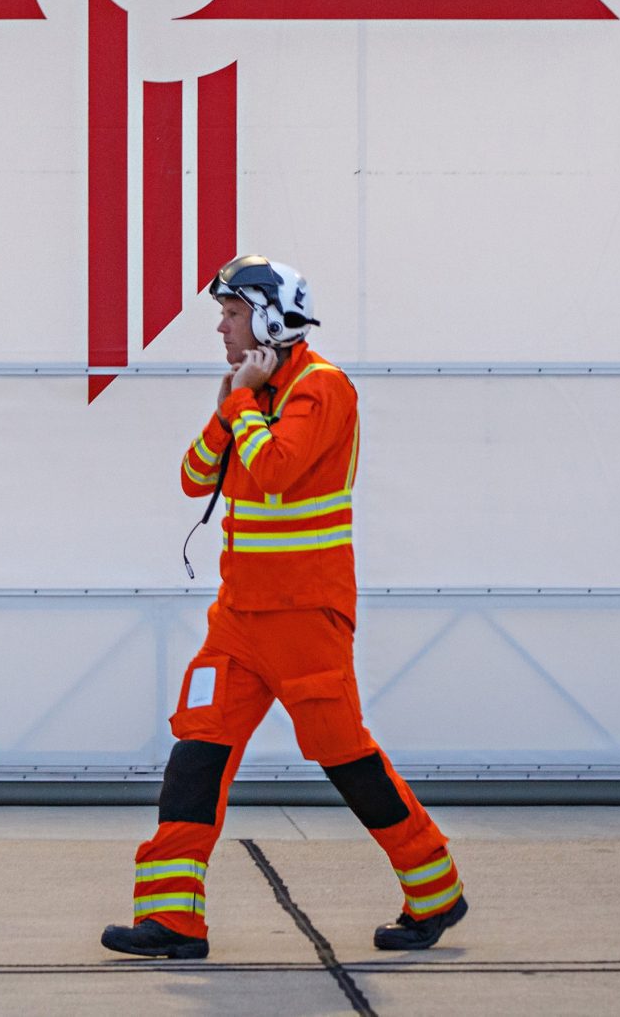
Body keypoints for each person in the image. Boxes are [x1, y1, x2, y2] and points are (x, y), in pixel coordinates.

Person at [100, 256, 467, 961]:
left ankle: (435, 888)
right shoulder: (253, 397)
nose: (221, 326)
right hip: (239, 617)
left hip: (306, 619)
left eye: (231, 313)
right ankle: (173, 918)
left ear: (269, 319)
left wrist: (241, 403)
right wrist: (228, 404)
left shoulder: (322, 390)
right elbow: (192, 478)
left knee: (346, 757)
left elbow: (273, 470)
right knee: (196, 753)